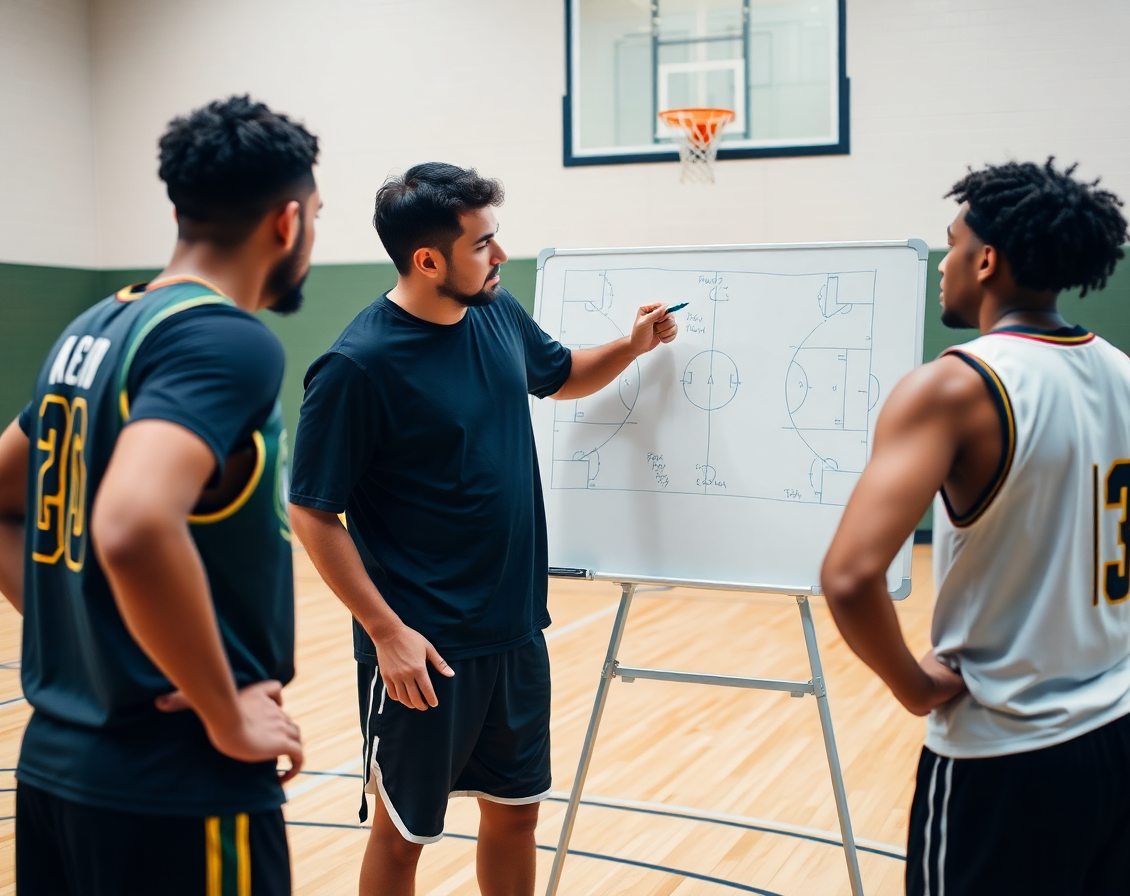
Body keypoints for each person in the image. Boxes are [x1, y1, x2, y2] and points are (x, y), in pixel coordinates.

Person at [288, 162, 679, 896]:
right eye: (482, 244)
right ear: (428, 261)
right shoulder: (356, 366)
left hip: (515, 630)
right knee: (403, 834)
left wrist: (631, 347)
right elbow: (311, 510)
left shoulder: (496, 312)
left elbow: (561, 373)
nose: (500, 255)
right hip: (424, 648)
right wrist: (386, 633)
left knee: (516, 814)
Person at [0, 95, 321, 896]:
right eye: (317, 218)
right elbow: (134, 525)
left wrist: (97, 632)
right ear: (288, 222)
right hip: (176, 786)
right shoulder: (226, 339)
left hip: (56, 774)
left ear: (181, 209)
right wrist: (225, 712)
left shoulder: (92, 329)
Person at [820, 159, 1130, 896]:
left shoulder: (955, 386)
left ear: (987, 260)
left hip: (1002, 761)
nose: (943, 265)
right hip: (1121, 746)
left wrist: (914, 687)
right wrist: (1118, 657)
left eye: (952, 244)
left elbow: (848, 576)